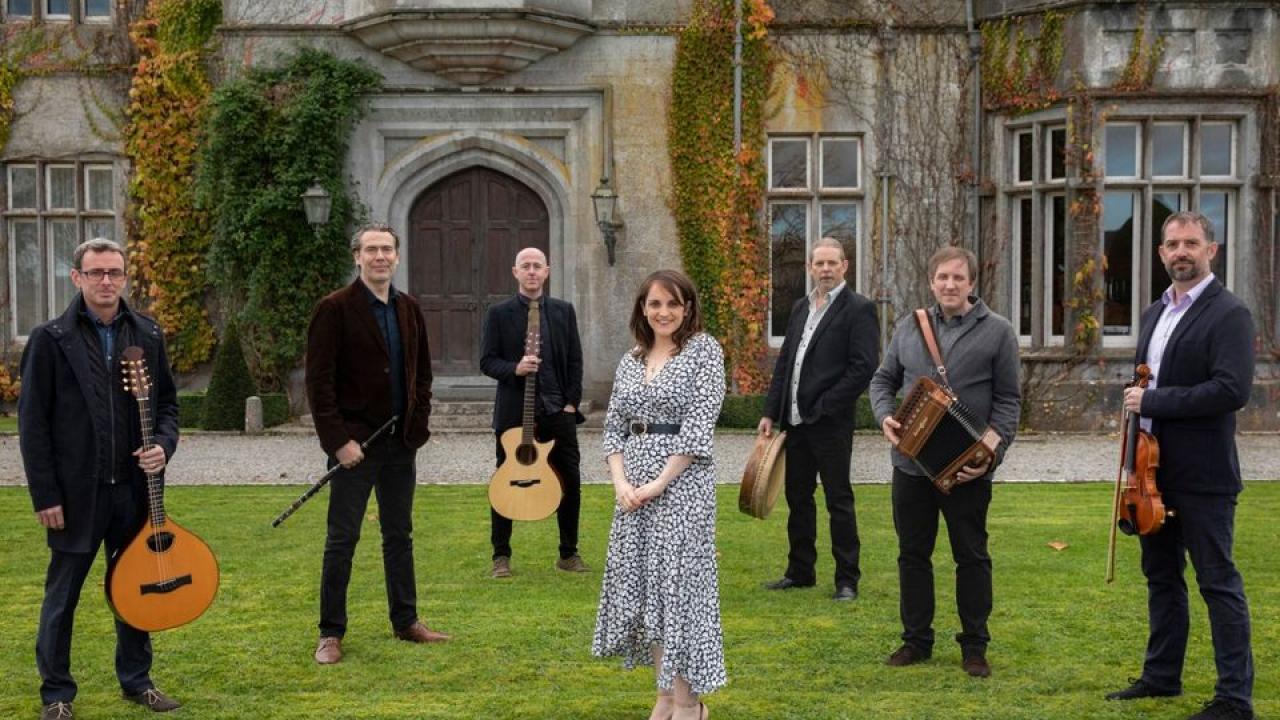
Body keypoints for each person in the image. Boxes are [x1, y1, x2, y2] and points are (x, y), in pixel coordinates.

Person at [20, 238, 182, 719]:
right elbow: (33, 425)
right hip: (73, 495)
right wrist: (45, 493)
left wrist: (163, 447)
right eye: (96, 273)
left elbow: (169, 407)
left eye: (115, 272)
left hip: (134, 492)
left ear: (126, 277)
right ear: (77, 278)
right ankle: (56, 694)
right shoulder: (50, 339)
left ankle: (137, 681)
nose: (106, 281)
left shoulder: (148, 334)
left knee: (134, 589)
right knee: (62, 596)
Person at [1105, 211, 1256, 720]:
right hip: (1152, 473)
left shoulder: (1229, 313)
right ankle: (1162, 677)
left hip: (1204, 475)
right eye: (1172, 244)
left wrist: (1154, 403)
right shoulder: (1154, 313)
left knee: (1218, 583)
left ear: (1211, 250)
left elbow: (1231, 390)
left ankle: (1234, 699)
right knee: (1162, 578)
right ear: (1161, 253)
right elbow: (1142, 388)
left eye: (1191, 243)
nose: (1180, 252)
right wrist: (1132, 459)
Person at [869, 245, 1020, 679]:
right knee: (912, 554)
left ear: (972, 283)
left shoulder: (998, 332)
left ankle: (974, 646)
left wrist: (991, 455)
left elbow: (1009, 401)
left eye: (958, 278)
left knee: (971, 556)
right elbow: (883, 379)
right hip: (910, 465)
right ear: (932, 282)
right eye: (942, 278)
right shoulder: (910, 327)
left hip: (966, 469)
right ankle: (916, 640)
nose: (949, 285)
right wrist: (884, 417)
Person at [304, 222, 449, 665]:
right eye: (372, 250)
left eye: (387, 249)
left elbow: (421, 374)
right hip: (354, 447)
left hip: (399, 445)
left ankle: (406, 621)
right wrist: (339, 442)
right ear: (357, 257)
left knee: (398, 535)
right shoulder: (334, 309)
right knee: (342, 539)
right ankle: (331, 633)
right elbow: (319, 383)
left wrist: (417, 427)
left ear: (397, 257)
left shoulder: (409, 308)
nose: (380, 256)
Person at [592, 270, 726, 720]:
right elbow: (613, 427)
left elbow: (698, 426)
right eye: (654, 304)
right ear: (643, 309)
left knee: (679, 592)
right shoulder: (631, 358)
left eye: (672, 304)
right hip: (632, 488)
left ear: (687, 308)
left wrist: (658, 484)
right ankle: (665, 697)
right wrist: (622, 483)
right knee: (647, 589)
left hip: (682, 485)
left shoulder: (704, 351)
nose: (663, 312)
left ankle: (690, 704)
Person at [759, 237, 879, 601]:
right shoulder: (799, 308)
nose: (825, 270)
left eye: (832, 263)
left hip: (830, 424)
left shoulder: (859, 309)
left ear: (845, 266)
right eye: (819, 264)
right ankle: (800, 571)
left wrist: (825, 406)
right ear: (810, 268)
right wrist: (769, 411)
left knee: (838, 500)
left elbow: (863, 368)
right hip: (794, 423)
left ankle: (847, 579)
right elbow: (786, 364)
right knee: (798, 499)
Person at [479, 247, 587, 578]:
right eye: (525, 266)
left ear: (547, 271)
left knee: (570, 480)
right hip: (514, 415)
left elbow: (574, 361)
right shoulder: (498, 314)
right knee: (505, 479)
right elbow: (487, 361)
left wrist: (571, 403)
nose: (531, 271)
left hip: (558, 410)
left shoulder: (563, 311)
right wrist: (516, 367)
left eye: (536, 266)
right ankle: (501, 557)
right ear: (515, 272)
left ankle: (568, 554)